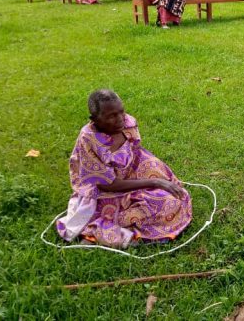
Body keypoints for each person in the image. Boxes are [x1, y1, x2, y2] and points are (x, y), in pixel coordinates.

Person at [56, 90, 192, 249]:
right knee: (163, 203)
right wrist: (155, 182)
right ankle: (106, 231)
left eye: (122, 111)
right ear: (94, 120)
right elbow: (107, 185)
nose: (121, 118)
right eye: (111, 116)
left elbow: (135, 152)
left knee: (176, 196)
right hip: (106, 191)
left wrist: (154, 176)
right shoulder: (89, 139)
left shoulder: (128, 123)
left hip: (131, 174)